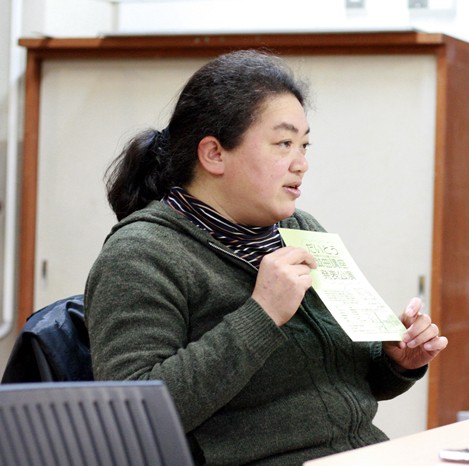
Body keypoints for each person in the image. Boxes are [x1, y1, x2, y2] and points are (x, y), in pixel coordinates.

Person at [84, 49, 448, 466]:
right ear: (214, 154)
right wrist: (262, 313)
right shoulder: (141, 254)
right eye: (283, 144)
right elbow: (132, 420)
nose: (302, 164)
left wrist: (395, 361)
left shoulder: (303, 230)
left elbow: (341, 382)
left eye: (304, 145)